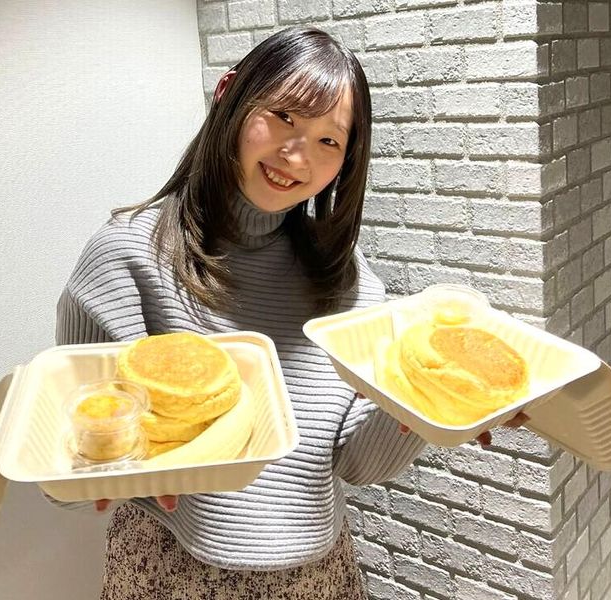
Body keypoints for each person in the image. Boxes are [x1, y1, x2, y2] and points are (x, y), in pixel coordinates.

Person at [46, 26, 526, 600]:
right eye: (283, 117)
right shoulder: (125, 258)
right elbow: (68, 453)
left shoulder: (346, 279)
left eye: (329, 141)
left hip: (319, 576)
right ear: (228, 92)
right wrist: (90, 473)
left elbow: (354, 463)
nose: (297, 156)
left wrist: (429, 409)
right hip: (169, 569)